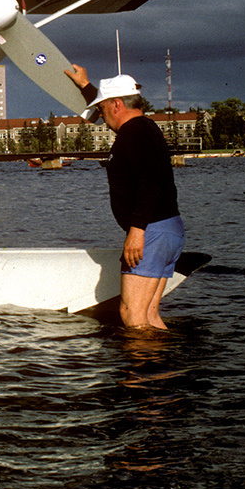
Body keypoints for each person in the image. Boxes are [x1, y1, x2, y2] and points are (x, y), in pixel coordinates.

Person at [66, 65, 184, 331]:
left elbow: (149, 181)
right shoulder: (142, 128)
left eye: (104, 108)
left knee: (132, 316)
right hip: (167, 229)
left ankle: (140, 373)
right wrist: (85, 85)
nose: (101, 115)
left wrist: (137, 230)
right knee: (149, 317)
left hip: (151, 230)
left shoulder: (135, 133)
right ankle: (165, 371)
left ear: (117, 104)